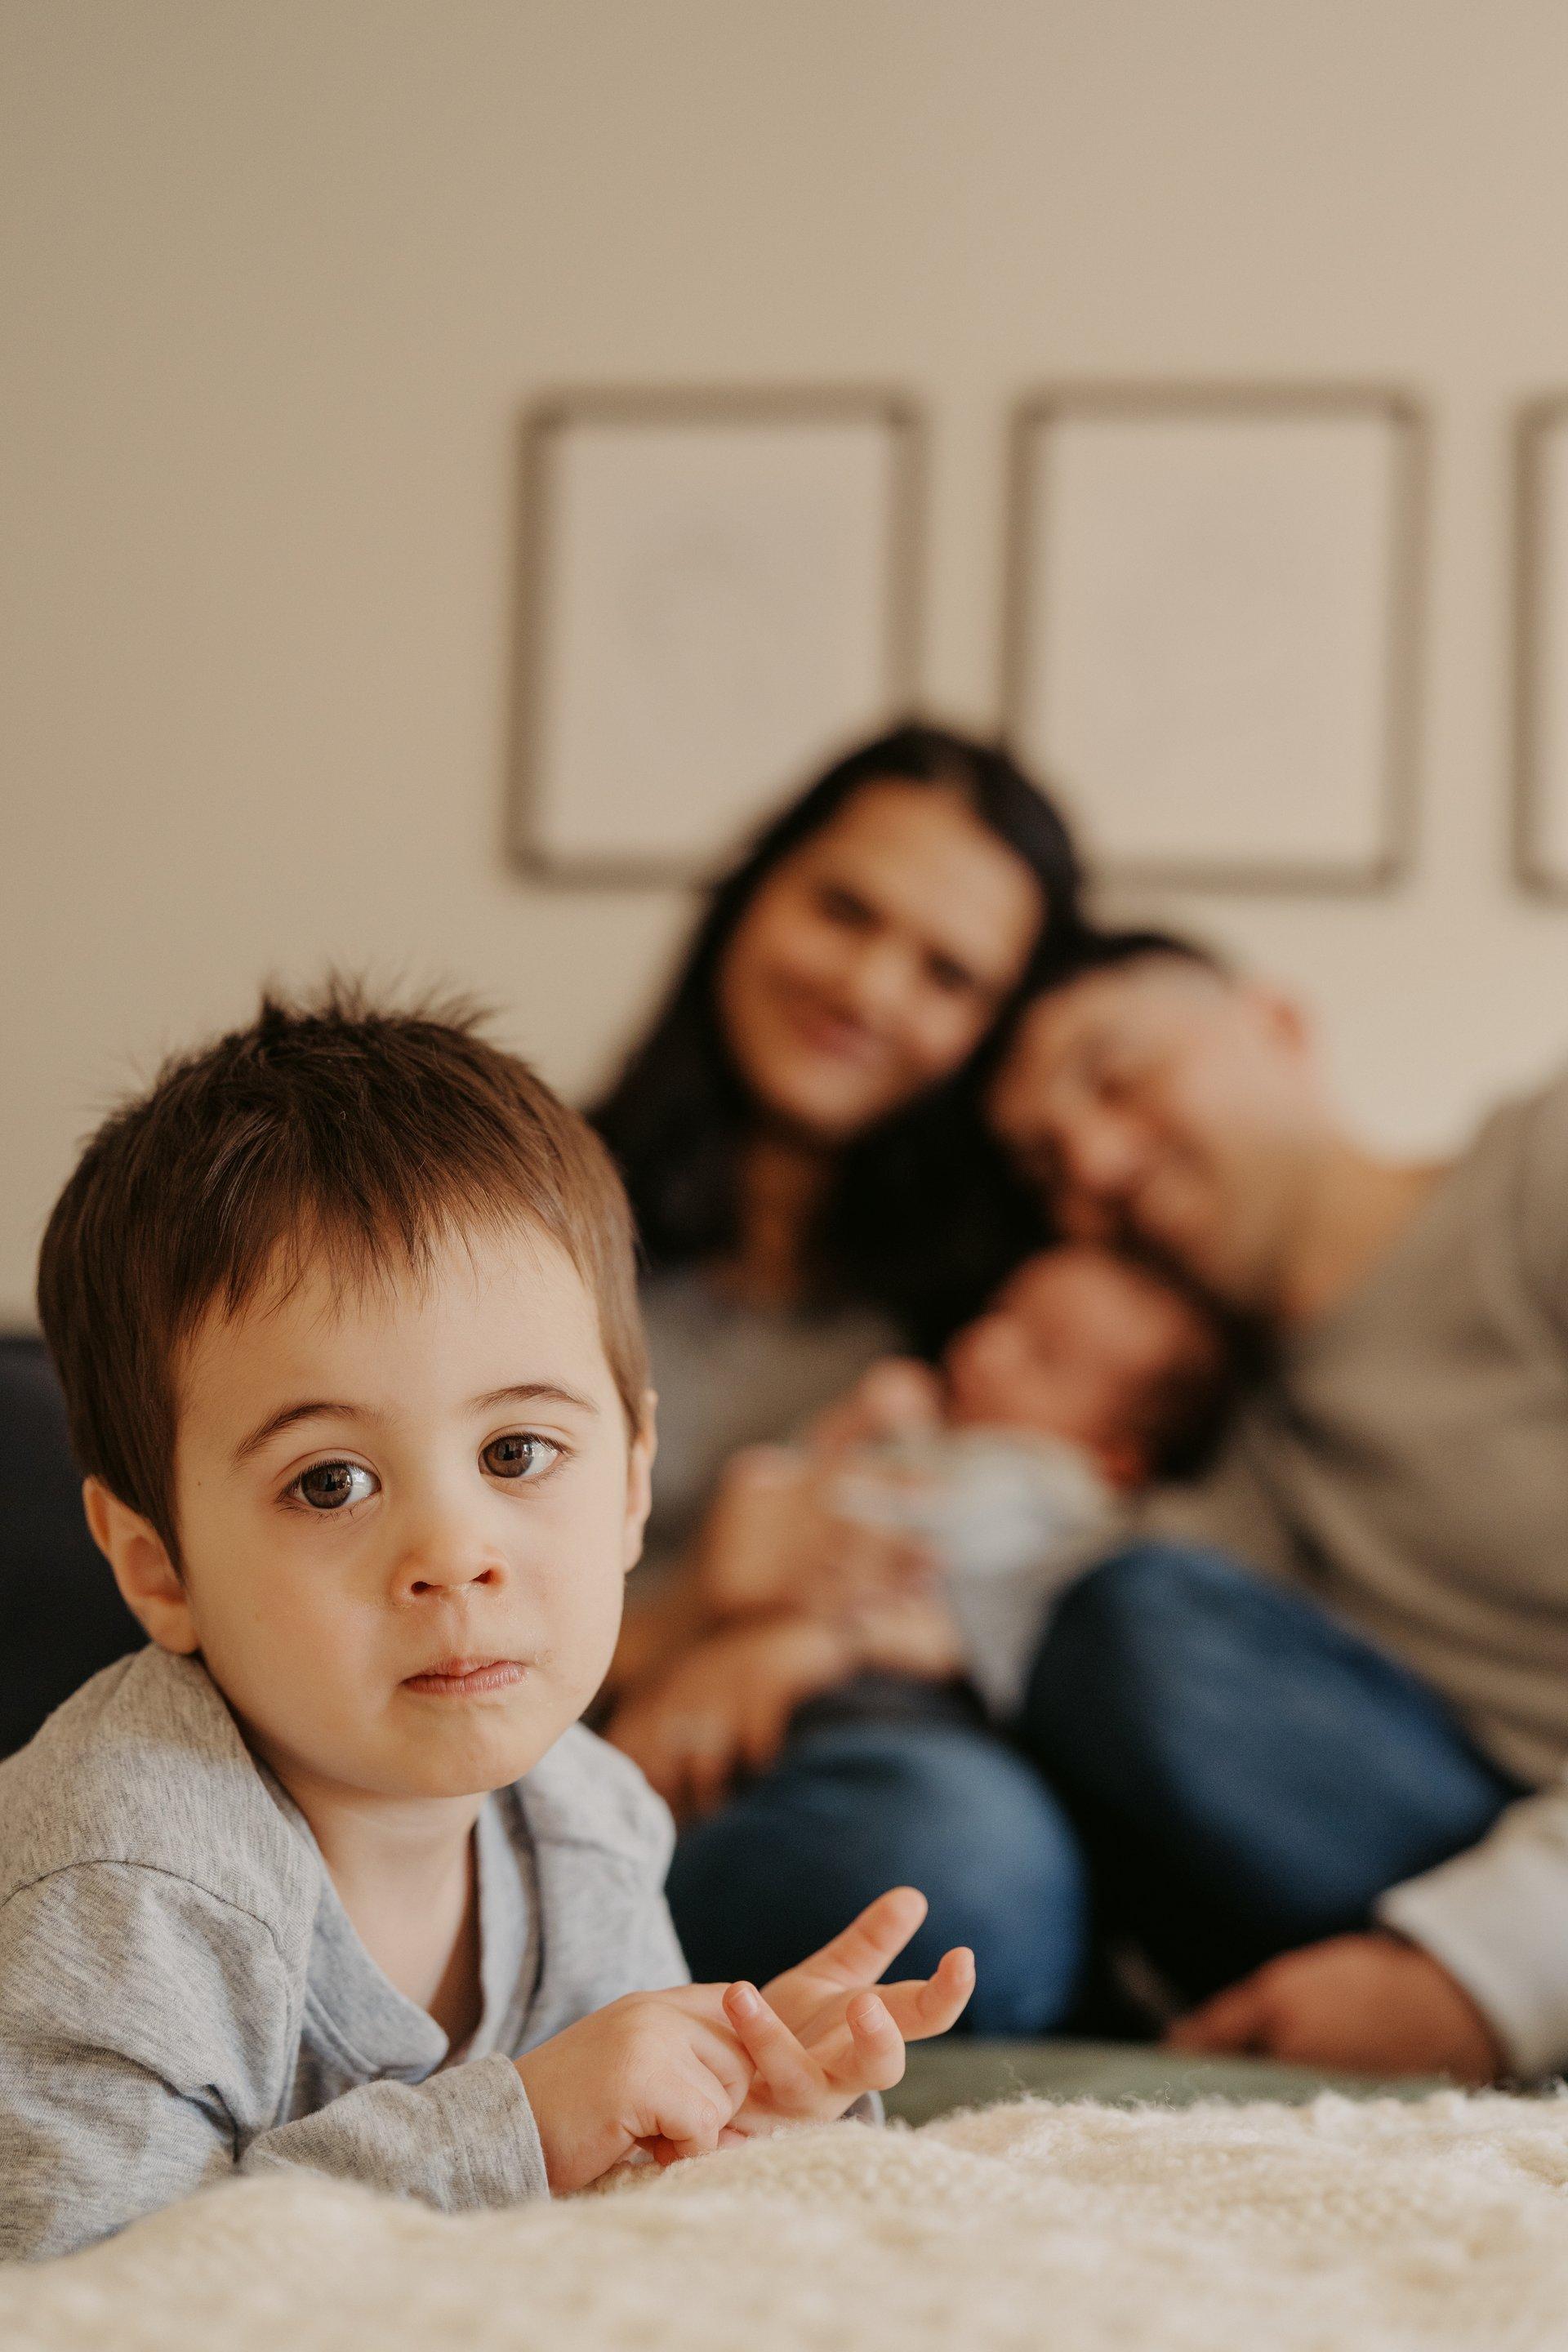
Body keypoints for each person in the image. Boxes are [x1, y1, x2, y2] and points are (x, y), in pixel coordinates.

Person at [0, 986, 973, 2263]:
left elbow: (591, 2219)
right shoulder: (127, 1884)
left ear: (630, 1487)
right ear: (157, 1565)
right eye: (330, 1482)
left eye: (517, 1451)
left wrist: (740, 2123)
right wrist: (515, 2127)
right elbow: (74, 2287)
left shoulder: (589, 1823)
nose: (454, 1555)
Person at [988, 932, 1568, 2083]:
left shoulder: (1538, 1174)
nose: (1096, 1164)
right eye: (1048, 1167)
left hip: (1522, 1910)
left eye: (1116, 1077)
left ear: (1280, 1026)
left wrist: (1486, 1973)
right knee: (1127, 1635)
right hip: (1455, 1841)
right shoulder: (1214, 1475)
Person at [592, 724, 1096, 2026]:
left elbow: (1118, 1561)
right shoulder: (522, 1218)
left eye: (947, 973)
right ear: (750, 893)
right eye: (844, 908)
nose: (871, 989)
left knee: (959, 1863)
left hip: (844, 1775)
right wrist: (691, 1614)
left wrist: (806, 1634)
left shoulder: (1026, 1306)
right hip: (533, 1760)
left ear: (998, 1031)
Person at [607, 1242, 1231, 1766]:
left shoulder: (1058, 1495)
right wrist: (848, 1429)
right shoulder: (933, 1435)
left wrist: (841, 1634)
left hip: (870, 1695)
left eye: (1043, 1356)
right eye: (1001, 1314)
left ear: (1115, 1458)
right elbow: (785, 1502)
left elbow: (973, 1605)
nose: (988, 1346)